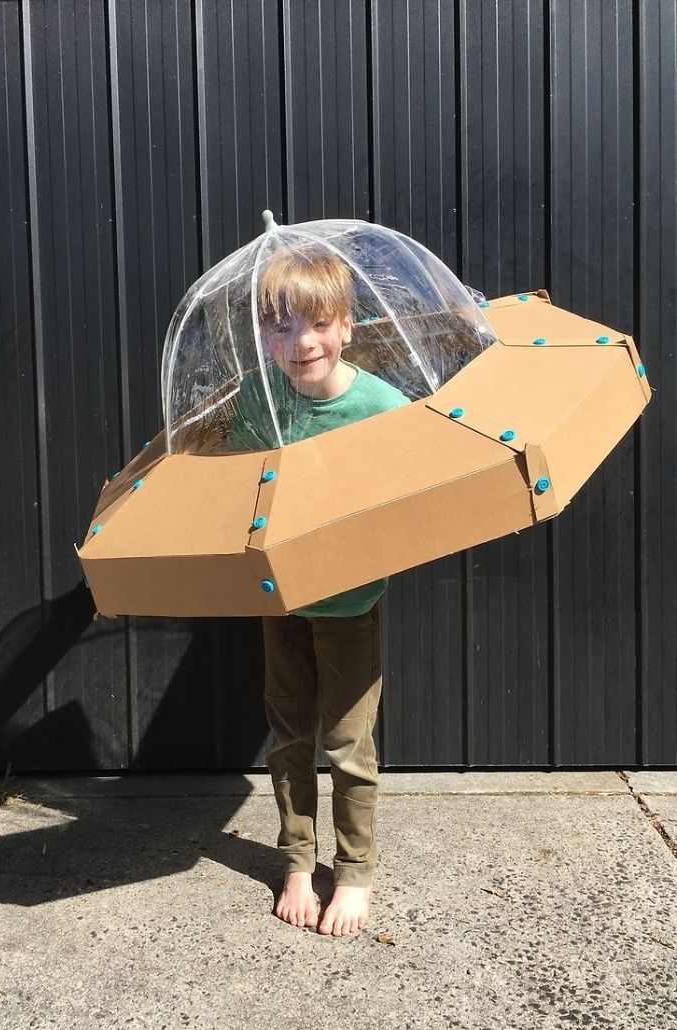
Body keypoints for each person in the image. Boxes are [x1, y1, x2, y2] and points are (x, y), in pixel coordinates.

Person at [228, 245, 409, 936]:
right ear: (262, 334)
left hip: (350, 603)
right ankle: (298, 860)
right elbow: (238, 482)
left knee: (347, 742)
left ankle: (355, 872)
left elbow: (406, 505)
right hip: (279, 597)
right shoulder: (258, 399)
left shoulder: (381, 406)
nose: (300, 342)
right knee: (287, 734)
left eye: (317, 322)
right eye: (279, 325)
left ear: (346, 325)